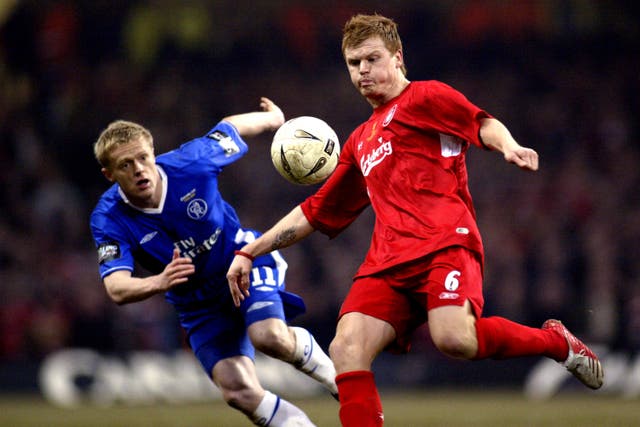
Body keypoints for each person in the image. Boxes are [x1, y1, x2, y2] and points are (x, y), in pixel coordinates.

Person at [226, 14, 604, 427]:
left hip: (444, 243)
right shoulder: (360, 140)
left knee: (454, 339)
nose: (363, 71)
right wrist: (251, 249)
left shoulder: (425, 98)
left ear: (398, 57)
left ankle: (556, 343)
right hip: (387, 262)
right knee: (346, 347)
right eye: (354, 63)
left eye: (372, 59)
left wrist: (509, 147)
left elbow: (482, 123)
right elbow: (316, 210)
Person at [90, 97, 337, 426]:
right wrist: (159, 282)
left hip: (241, 262)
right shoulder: (108, 218)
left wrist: (273, 119)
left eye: (143, 158)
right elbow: (116, 287)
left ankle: (340, 381)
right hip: (197, 303)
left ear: (152, 153)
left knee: (269, 336)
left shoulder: (191, 162)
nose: (138, 170)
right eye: (125, 165)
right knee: (238, 392)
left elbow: (230, 127)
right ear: (109, 174)